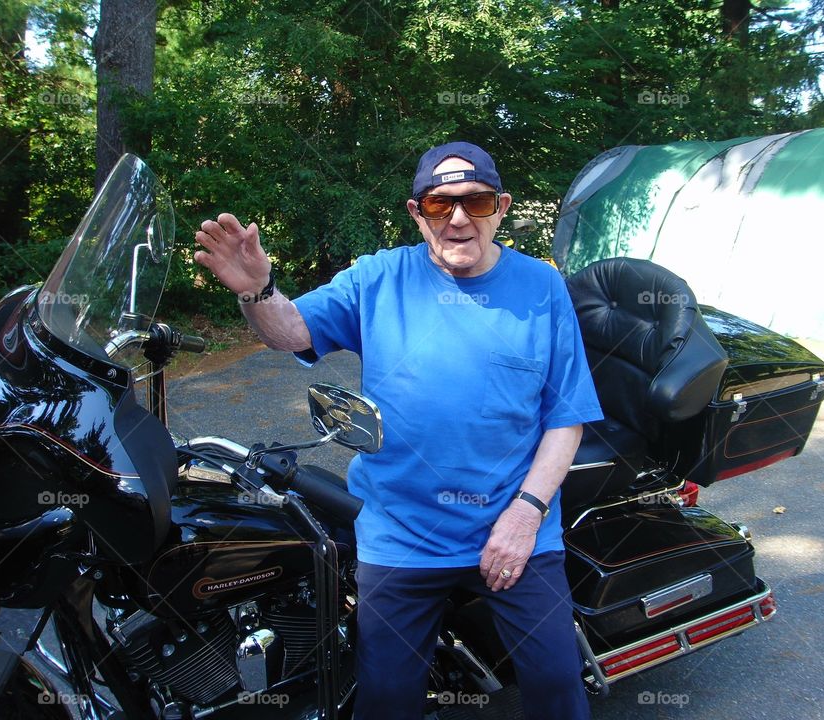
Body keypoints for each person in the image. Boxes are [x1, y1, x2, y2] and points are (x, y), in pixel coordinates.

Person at [194, 141, 604, 720]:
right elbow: (291, 332)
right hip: (402, 531)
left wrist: (525, 513)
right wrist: (256, 290)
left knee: (559, 682)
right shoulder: (378, 277)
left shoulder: (542, 287)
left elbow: (566, 418)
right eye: (439, 205)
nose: (458, 219)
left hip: (514, 525)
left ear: (501, 207)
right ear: (416, 213)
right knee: (385, 696)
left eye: (475, 202)